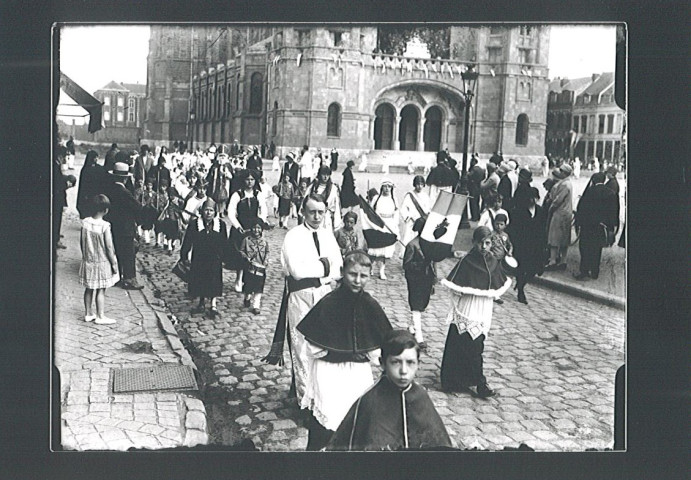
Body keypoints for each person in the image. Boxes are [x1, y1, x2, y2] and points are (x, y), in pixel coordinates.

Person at [297, 251, 393, 450]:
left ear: (370, 275)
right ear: (342, 272)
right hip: (328, 372)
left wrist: (368, 353)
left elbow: (380, 349)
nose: (357, 280)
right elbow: (313, 349)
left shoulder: (370, 304)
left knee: (358, 419)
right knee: (328, 422)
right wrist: (346, 352)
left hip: (357, 374)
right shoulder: (328, 303)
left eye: (363, 276)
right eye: (352, 274)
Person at [262, 193, 343, 407]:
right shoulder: (293, 236)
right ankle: (305, 403)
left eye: (321, 212)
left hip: (325, 297)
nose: (317, 216)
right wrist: (325, 266)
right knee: (302, 350)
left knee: (323, 349)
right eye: (312, 212)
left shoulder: (328, 235)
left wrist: (320, 268)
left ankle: (321, 398)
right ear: (302, 212)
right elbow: (297, 271)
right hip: (300, 298)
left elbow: (339, 268)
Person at [326, 330, 452, 451]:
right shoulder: (370, 401)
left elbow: (439, 445)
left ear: (418, 363)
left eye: (410, 362)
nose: (403, 371)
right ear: (383, 363)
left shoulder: (421, 397)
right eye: (396, 362)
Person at [439, 226, 511, 398]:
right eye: (480, 243)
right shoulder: (467, 261)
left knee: (477, 344)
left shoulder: (493, 261)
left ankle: (471, 379)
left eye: (487, 243)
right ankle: (464, 381)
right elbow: (455, 284)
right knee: (461, 342)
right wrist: (460, 292)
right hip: (467, 307)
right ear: (474, 243)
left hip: (483, 308)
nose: (484, 247)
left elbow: (497, 282)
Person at [180, 198, 228, 319]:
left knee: (214, 280)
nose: (208, 213)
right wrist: (184, 256)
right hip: (199, 257)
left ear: (215, 212)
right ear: (202, 212)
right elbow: (187, 241)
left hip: (215, 258)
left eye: (211, 210)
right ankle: (201, 303)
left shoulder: (220, 225)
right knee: (200, 279)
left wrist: (224, 258)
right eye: (206, 210)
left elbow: (224, 242)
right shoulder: (195, 224)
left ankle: (213, 305)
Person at [79, 194, 120, 325]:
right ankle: (100, 316)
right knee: (101, 289)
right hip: (102, 262)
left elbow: (81, 242)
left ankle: (88, 313)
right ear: (105, 210)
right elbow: (109, 246)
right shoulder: (104, 226)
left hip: (88, 261)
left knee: (89, 288)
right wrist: (113, 263)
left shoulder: (85, 223)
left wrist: (85, 256)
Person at [104, 162, 144, 290]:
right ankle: (129, 279)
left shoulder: (110, 189)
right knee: (128, 253)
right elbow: (137, 208)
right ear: (125, 178)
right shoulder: (125, 192)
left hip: (113, 225)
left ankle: (118, 277)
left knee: (117, 251)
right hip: (126, 228)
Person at [573, 172, 619, 280]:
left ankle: (584, 271)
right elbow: (613, 212)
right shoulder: (611, 193)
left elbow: (582, 208)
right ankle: (595, 272)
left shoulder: (589, 191)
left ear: (593, 180)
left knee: (585, 248)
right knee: (597, 249)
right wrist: (611, 227)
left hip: (588, 226)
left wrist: (578, 222)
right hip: (601, 227)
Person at [226, 170, 266, 292]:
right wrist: (238, 226)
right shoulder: (237, 195)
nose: (250, 182)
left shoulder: (258, 194)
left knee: (254, 253)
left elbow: (263, 210)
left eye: (252, 180)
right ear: (243, 180)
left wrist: (260, 223)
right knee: (240, 254)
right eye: (247, 179)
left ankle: (250, 280)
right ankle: (238, 279)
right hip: (241, 228)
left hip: (254, 228)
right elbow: (231, 212)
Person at [507, 187, 547, 304]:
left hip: (536, 244)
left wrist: (544, 243)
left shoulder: (540, 210)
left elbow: (543, 228)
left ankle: (520, 283)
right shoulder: (519, 211)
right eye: (531, 198)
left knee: (535, 268)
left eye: (535, 198)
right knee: (522, 267)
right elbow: (514, 229)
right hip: (522, 244)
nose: (533, 200)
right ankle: (521, 290)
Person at [402, 218, 435, 350]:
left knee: (423, 304)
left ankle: (412, 327)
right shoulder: (412, 245)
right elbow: (406, 264)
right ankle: (419, 337)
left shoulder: (431, 245)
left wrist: (434, 279)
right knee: (416, 304)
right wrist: (420, 264)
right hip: (415, 279)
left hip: (426, 278)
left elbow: (434, 263)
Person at [366, 180, 399, 280]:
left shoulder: (394, 199)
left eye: (389, 186)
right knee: (375, 248)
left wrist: (394, 225)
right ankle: (370, 268)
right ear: (382, 187)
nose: (387, 188)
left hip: (389, 225)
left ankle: (381, 271)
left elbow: (396, 213)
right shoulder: (377, 198)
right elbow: (370, 212)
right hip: (378, 225)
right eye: (385, 186)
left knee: (385, 250)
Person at [545, 163, 574, 271]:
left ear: (564, 173)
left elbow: (557, 200)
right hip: (566, 213)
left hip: (560, 213)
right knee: (564, 238)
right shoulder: (568, 183)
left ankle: (553, 261)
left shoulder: (564, 185)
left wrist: (551, 207)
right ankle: (563, 260)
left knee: (554, 237)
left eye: (561, 171)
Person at [240, 219, 269, 315]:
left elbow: (267, 252)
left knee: (259, 287)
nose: (256, 230)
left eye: (258, 228)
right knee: (248, 285)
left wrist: (265, 261)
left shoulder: (264, 242)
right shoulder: (246, 240)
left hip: (260, 268)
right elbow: (242, 251)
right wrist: (246, 257)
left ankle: (256, 305)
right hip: (249, 268)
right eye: (254, 228)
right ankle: (247, 297)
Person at [304, 165, 342, 231]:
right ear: (319, 175)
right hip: (313, 217)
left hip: (327, 218)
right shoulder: (313, 187)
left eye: (327, 175)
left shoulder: (333, 189)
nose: (325, 177)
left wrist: (336, 224)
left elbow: (337, 207)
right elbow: (305, 202)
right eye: (323, 174)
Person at [400, 175, 431, 247]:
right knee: (409, 238)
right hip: (411, 221)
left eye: (421, 184)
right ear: (414, 184)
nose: (420, 186)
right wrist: (408, 217)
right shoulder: (409, 195)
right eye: (418, 184)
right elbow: (403, 209)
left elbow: (428, 208)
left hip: (422, 220)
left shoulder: (425, 196)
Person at [76, 150, 108, 219]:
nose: (97, 159)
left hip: (90, 192)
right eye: (96, 157)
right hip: (92, 192)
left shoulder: (85, 169)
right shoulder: (93, 169)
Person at [206, 145, 232, 216]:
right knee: (216, 196)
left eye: (224, 156)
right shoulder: (215, 165)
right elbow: (210, 174)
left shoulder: (228, 165)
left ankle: (222, 211)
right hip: (215, 183)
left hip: (225, 183)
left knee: (224, 197)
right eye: (221, 156)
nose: (222, 158)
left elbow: (232, 176)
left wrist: (226, 174)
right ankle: (216, 211)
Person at [157, 187, 183, 253]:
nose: (171, 196)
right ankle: (169, 248)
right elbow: (164, 208)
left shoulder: (179, 201)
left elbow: (182, 208)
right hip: (169, 220)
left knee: (175, 234)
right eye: (170, 195)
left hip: (177, 220)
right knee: (169, 234)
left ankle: (173, 244)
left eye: (173, 195)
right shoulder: (168, 201)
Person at [467, 157, 486, 221]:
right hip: (479, 187)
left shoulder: (474, 169)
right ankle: (477, 215)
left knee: (473, 202)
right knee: (477, 202)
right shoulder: (481, 169)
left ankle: (474, 216)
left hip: (473, 187)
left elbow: (469, 176)